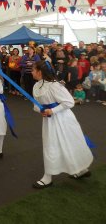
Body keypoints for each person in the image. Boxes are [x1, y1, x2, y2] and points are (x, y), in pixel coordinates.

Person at [31, 60, 93, 189]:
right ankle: (48, 177)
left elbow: (69, 102)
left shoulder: (55, 86)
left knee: (71, 143)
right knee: (50, 146)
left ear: (40, 72)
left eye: (33, 70)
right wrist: (41, 110)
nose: (31, 72)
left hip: (64, 119)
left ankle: (79, 169)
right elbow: (35, 106)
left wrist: (52, 110)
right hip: (50, 122)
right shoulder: (36, 86)